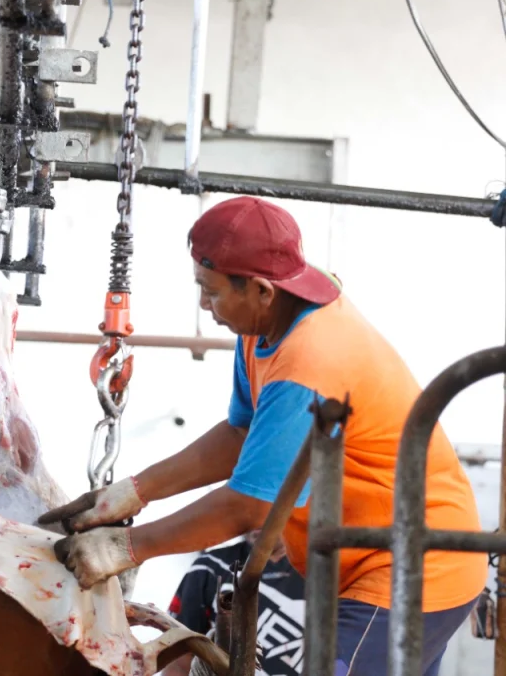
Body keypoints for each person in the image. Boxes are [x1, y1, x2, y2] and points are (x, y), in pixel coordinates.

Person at [39, 196, 486, 675]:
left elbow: (249, 506)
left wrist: (125, 549)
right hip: (368, 556)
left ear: (261, 290)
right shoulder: (264, 322)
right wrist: (132, 493)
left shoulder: (311, 360)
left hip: (414, 565)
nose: (204, 306)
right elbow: (240, 433)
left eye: (210, 292)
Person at [162, 530, 305, 676]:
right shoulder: (211, 567)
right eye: (251, 509)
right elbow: (177, 658)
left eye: (269, 508)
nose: (258, 520)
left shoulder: (323, 581)